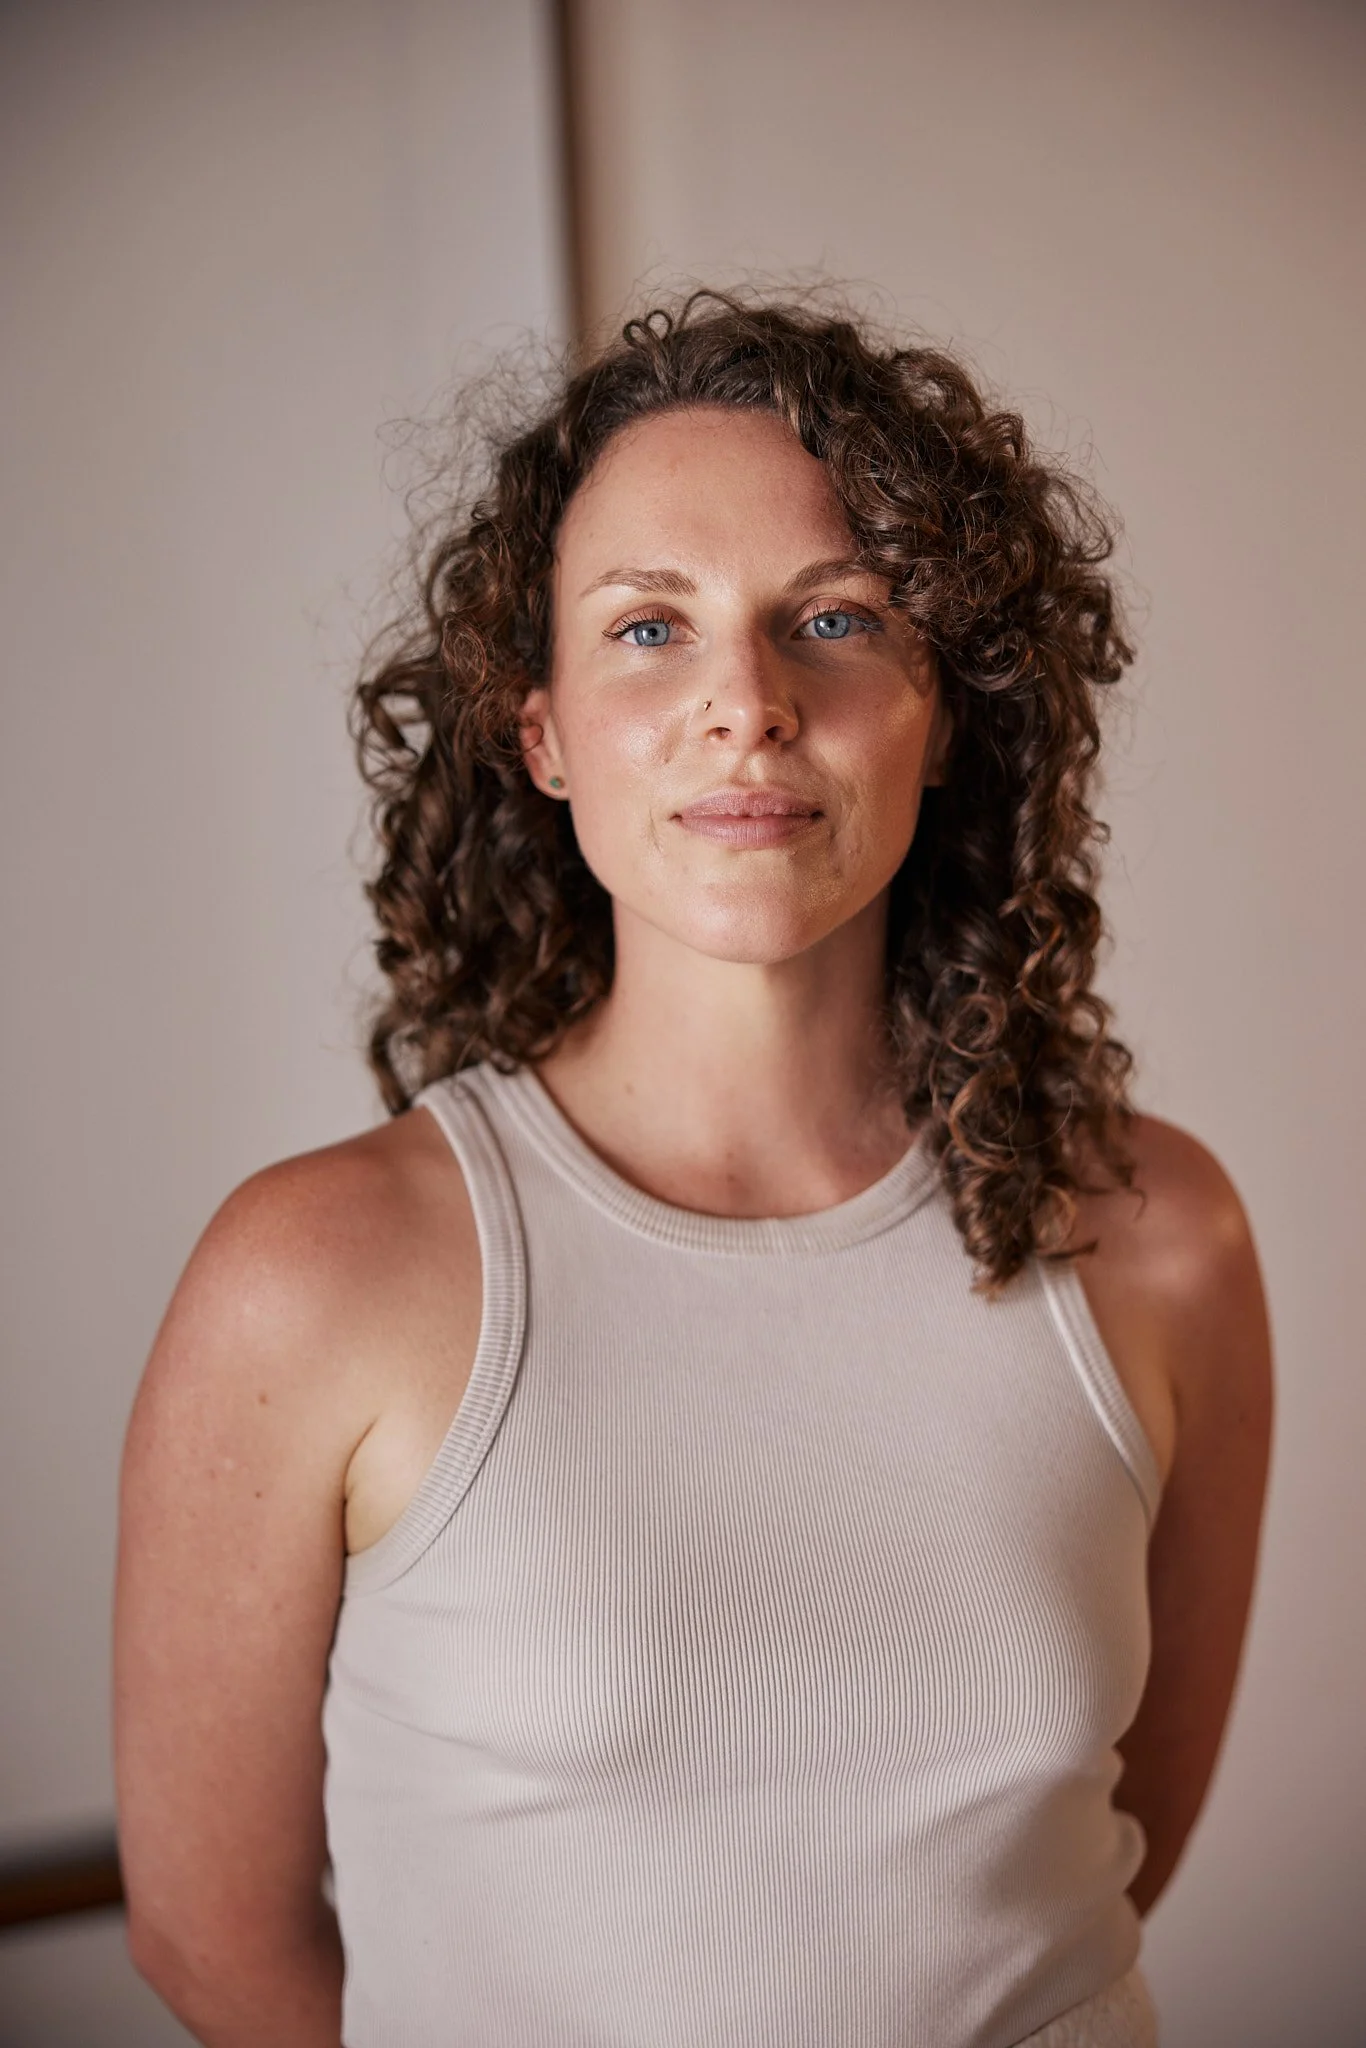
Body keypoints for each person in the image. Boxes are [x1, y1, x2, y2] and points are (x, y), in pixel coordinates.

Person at [113, 291, 1273, 2048]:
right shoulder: (312, 1279)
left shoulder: (1158, 1238)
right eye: (649, 627)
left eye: (831, 617)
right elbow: (216, 1944)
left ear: (941, 714)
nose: (745, 703)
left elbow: (1097, 1865)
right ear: (543, 736)